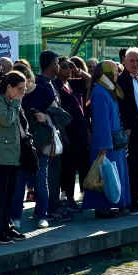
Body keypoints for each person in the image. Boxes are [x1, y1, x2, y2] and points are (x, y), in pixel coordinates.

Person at [0, 71, 28, 244]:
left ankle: (6, 226)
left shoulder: (12, 101)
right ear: (9, 87)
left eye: (24, 90)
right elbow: (6, 120)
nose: (21, 94)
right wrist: (17, 103)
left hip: (11, 154)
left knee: (9, 194)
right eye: (19, 89)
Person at [83, 61, 131, 218]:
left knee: (113, 174)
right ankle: (102, 207)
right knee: (105, 175)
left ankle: (114, 204)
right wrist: (104, 144)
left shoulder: (107, 89)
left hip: (112, 140)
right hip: (106, 142)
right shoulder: (100, 91)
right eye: (115, 71)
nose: (117, 74)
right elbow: (101, 121)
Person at [11, 66, 52, 230]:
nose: (23, 89)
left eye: (24, 84)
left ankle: (42, 215)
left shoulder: (44, 92)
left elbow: (58, 112)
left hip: (40, 144)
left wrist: (46, 116)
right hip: (20, 144)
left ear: (30, 78)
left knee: (41, 180)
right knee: (18, 182)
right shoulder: (12, 94)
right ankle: (15, 216)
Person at [35, 51, 71, 222]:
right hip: (45, 139)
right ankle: (51, 207)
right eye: (58, 63)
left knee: (54, 173)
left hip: (55, 135)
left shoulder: (51, 83)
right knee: (50, 175)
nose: (59, 66)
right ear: (50, 65)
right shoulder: (40, 84)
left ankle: (48, 205)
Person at [117, 47, 138, 214]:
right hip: (132, 132)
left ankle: (136, 198)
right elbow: (123, 107)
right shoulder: (123, 80)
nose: (135, 64)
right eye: (132, 61)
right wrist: (126, 127)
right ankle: (130, 201)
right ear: (125, 61)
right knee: (132, 166)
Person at [55, 57, 88, 211]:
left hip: (80, 130)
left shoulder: (73, 82)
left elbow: (91, 81)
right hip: (67, 131)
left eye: (69, 66)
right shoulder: (56, 85)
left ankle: (80, 194)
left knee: (81, 162)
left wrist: (78, 70)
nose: (68, 69)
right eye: (64, 67)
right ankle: (68, 197)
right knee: (68, 165)